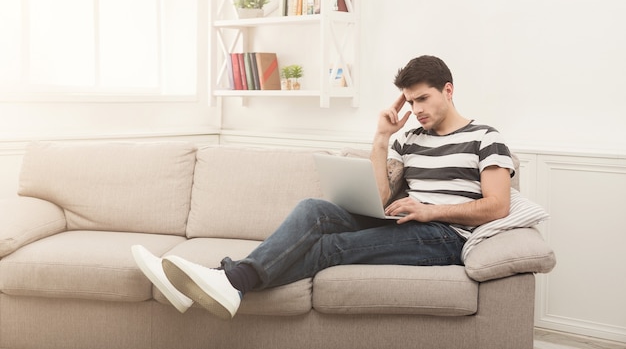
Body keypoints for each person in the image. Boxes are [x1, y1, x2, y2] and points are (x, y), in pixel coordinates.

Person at [132, 54, 515, 320]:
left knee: (329, 248)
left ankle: (227, 279)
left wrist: (430, 210)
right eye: (411, 101)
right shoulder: (411, 138)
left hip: (443, 236)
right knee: (314, 209)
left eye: (423, 99)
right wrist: (382, 137)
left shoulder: (486, 137)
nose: (415, 109)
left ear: (448, 90)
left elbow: (498, 206)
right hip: (405, 222)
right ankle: (219, 282)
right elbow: (381, 198)